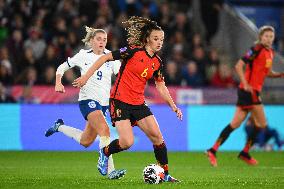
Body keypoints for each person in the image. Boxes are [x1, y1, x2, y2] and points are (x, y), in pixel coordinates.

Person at [72, 16, 183, 182]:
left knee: (158, 138)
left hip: (139, 103)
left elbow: (160, 86)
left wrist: (173, 106)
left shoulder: (157, 62)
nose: (159, 42)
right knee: (127, 142)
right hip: (120, 101)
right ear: (147, 39)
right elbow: (103, 58)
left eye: (161, 39)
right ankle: (105, 152)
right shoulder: (132, 51)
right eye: (155, 38)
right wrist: (86, 77)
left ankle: (165, 175)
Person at [44, 26, 126, 179]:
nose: (102, 42)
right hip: (88, 101)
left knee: (86, 141)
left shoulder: (110, 56)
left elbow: (121, 74)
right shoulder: (83, 55)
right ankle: (110, 170)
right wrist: (58, 82)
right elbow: (62, 67)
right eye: (99, 39)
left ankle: (59, 127)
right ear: (91, 41)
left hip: (103, 104)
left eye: (105, 39)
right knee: (105, 130)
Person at [206, 26, 284, 167]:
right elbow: (238, 65)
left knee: (235, 124)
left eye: (271, 36)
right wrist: (245, 83)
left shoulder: (270, 52)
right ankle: (245, 152)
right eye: (266, 36)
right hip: (249, 91)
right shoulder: (256, 49)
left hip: (252, 92)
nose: (268, 39)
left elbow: (266, 71)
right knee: (262, 124)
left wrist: (279, 75)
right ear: (260, 37)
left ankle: (213, 150)